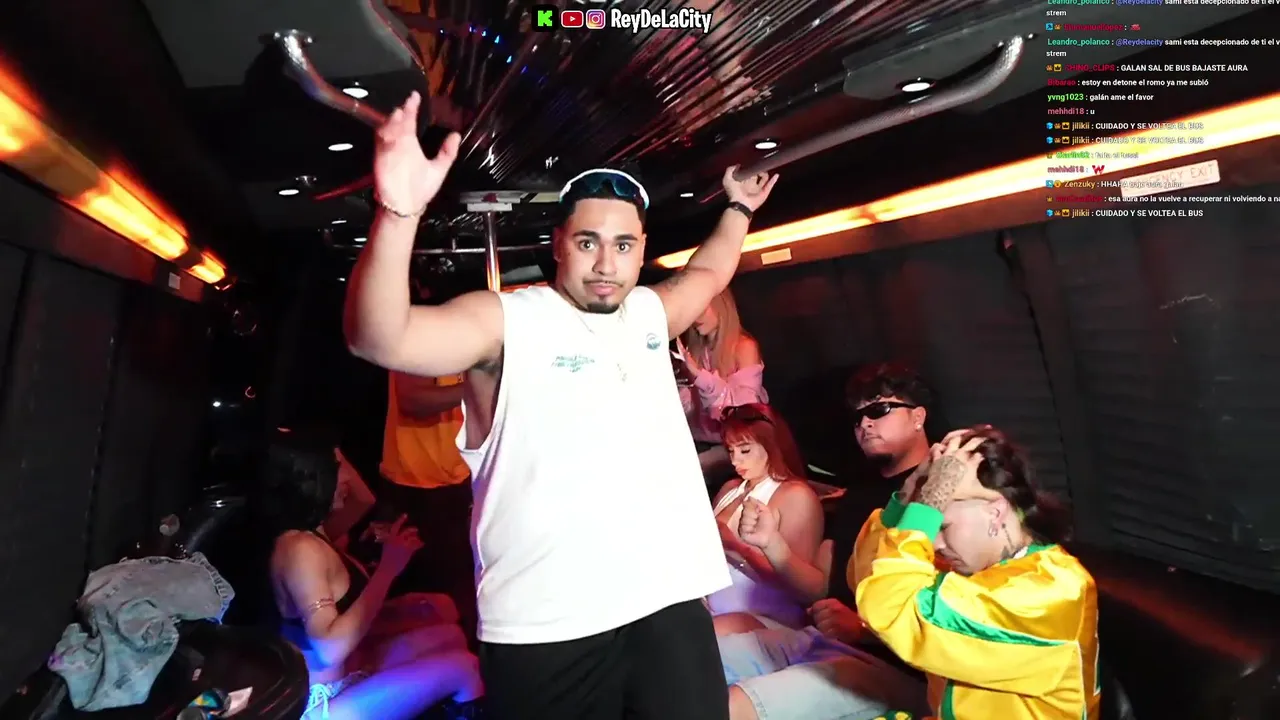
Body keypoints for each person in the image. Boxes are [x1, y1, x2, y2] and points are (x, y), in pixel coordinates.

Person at [343, 90, 778, 720]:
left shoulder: (649, 313)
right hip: (546, 626)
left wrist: (738, 207)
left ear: (641, 247)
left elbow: (709, 273)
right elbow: (378, 338)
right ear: (558, 243)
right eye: (588, 243)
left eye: (623, 246)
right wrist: (399, 211)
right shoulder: (505, 320)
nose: (606, 264)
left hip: (667, 603)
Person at [709, 365, 935, 720]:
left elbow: (954, 614)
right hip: (821, 640)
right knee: (689, 664)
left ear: (918, 417)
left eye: (879, 410)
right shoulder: (860, 493)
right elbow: (820, 588)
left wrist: (863, 629)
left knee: (734, 705)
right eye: (858, 417)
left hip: (892, 666)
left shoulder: (942, 494)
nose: (865, 424)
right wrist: (770, 544)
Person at [853, 427, 1099, 719]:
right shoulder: (972, 566)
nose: (933, 543)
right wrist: (910, 494)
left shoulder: (1052, 588)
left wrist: (932, 500)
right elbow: (870, 579)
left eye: (942, 526)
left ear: (995, 513)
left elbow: (893, 606)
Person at [259, 429, 485, 720]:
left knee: (448, 634)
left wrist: (322, 444)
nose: (346, 478)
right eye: (336, 470)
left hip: (346, 677)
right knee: (465, 668)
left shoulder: (315, 532)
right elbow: (329, 649)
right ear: (313, 479)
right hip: (319, 703)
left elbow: (363, 499)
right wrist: (388, 570)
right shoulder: (300, 550)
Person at [706, 403, 822, 635]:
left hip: (768, 621)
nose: (735, 461)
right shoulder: (730, 488)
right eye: (730, 451)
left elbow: (801, 588)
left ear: (771, 445)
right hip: (711, 610)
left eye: (745, 450)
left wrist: (734, 547)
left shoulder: (795, 495)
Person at [675, 289, 767, 489]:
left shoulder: (744, 347)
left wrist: (700, 376)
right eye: (692, 308)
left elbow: (742, 411)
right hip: (699, 442)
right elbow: (689, 411)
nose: (696, 315)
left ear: (721, 305)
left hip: (733, 448)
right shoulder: (694, 351)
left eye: (703, 307)